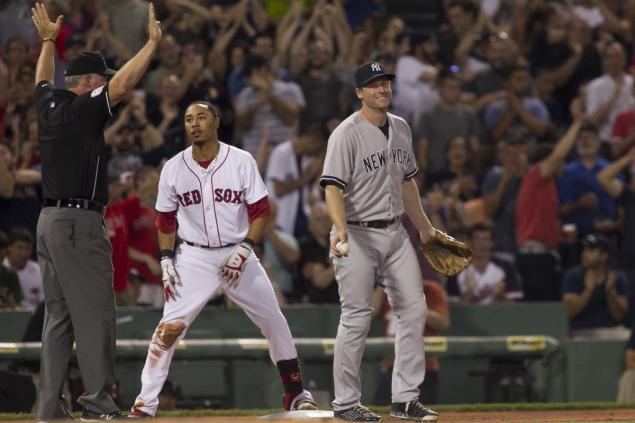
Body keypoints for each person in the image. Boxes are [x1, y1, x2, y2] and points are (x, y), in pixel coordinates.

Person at [129, 101, 317, 417]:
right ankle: (145, 403)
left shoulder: (241, 160)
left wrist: (245, 249)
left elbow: (260, 210)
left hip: (237, 253)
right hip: (193, 257)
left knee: (274, 320)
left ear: (216, 122)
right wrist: (165, 258)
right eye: (188, 119)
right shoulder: (174, 167)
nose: (194, 123)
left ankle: (296, 393)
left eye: (201, 117)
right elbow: (165, 219)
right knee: (169, 328)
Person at [31, 2, 162, 420]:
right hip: (76, 223)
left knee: (59, 319)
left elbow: (40, 79)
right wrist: (152, 44)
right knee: (96, 314)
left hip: (48, 223)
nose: (104, 85)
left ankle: (49, 408)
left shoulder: (49, 104)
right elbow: (122, 86)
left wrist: (49, 41)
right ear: (88, 82)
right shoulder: (85, 108)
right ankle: (98, 403)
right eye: (99, 80)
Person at [321, 61, 439, 422]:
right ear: (359, 92)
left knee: (414, 309)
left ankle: (404, 399)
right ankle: (345, 403)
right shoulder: (346, 133)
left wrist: (426, 227)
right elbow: (332, 187)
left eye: (385, 82)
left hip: (395, 230)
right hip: (355, 232)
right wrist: (339, 228)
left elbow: (407, 182)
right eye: (373, 84)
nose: (382, 89)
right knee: (357, 316)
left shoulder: (401, 127)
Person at [562, 233, 628, 339]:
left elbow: (619, 315)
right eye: (585, 250)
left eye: (591, 250)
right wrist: (588, 291)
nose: (585, 254)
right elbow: (570, 311)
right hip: (581, 331)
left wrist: (610, 293)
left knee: (626, 337)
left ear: (604, 256)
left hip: (610, 329)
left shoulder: (616, 277)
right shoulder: (574, 275)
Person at [3, 227, 43, 312]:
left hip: (33, 321)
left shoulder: (39, 271)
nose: (24, 253)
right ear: (9, 248)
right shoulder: (2, 270)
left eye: (27, 248)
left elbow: (44, 304)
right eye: (20, 248)